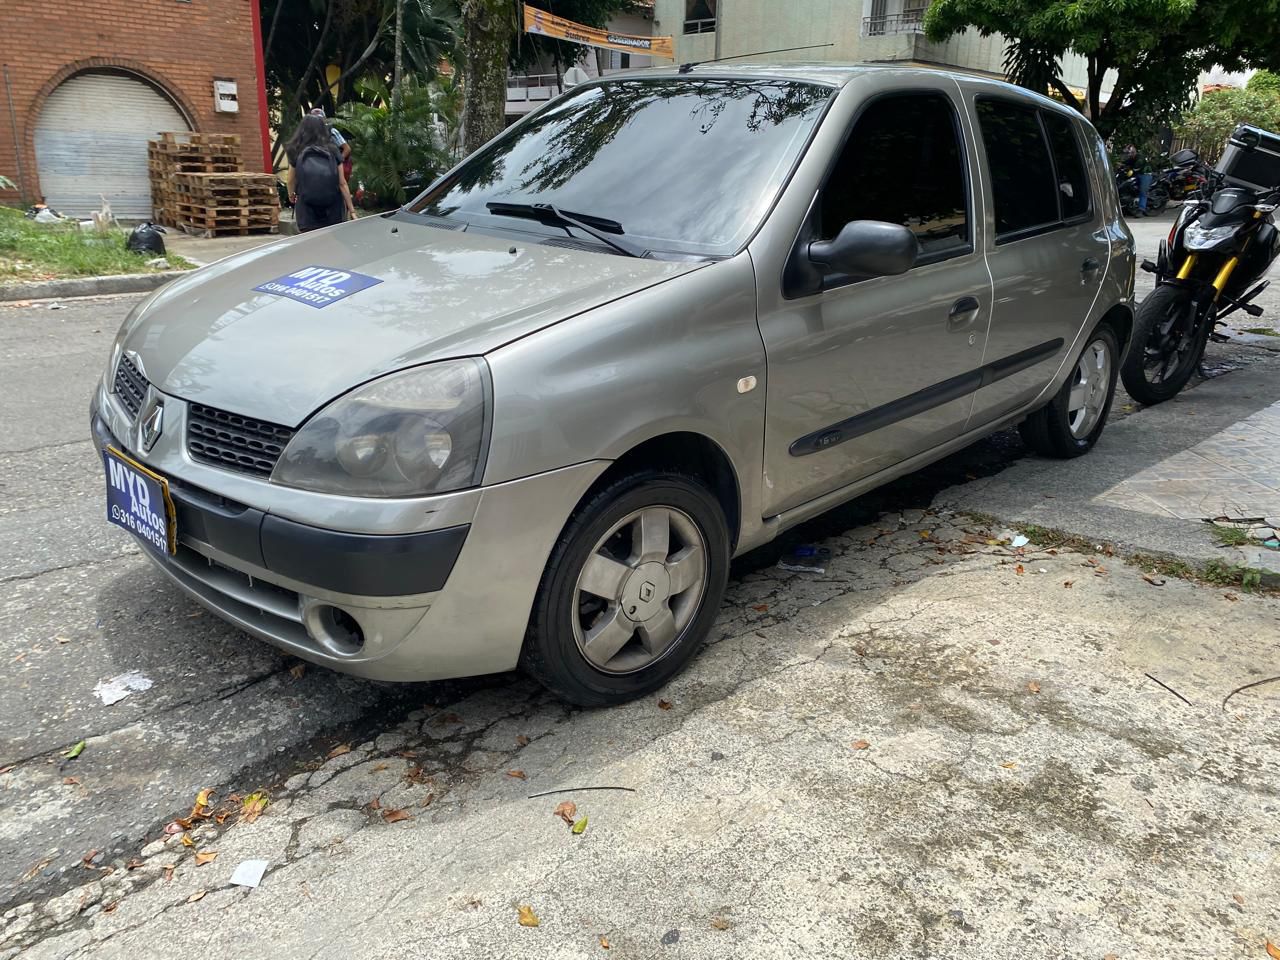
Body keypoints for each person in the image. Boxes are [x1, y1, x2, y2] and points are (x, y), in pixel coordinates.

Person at [286, 114, 356, 232]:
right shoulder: (333, 150)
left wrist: (291, 195)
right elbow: (342, 183)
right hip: (332, 209)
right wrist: (352, 211)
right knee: (331, 243)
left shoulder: (296, 150)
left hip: (306, 209)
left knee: (309, 243)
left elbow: (290, 179)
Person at [309, 107, 353, 182]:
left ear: (324, 119)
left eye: (320, 118)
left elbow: (347, 149)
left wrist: (336, 163)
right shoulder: (308, 134)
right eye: (315, 119)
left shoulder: (332, 131)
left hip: (332, 171)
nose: (317, 121)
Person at [1122, 143, 1154, 217]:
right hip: (1137, 174)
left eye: (1129, 153)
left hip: (1145, 175)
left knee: (1143, 192)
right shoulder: (1132, 158)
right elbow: (1125, 163)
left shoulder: (1140, 158)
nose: (1128, 155)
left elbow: (1136, 167)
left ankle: (1141, 210)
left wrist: (1130, 170)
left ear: (1133, 152)